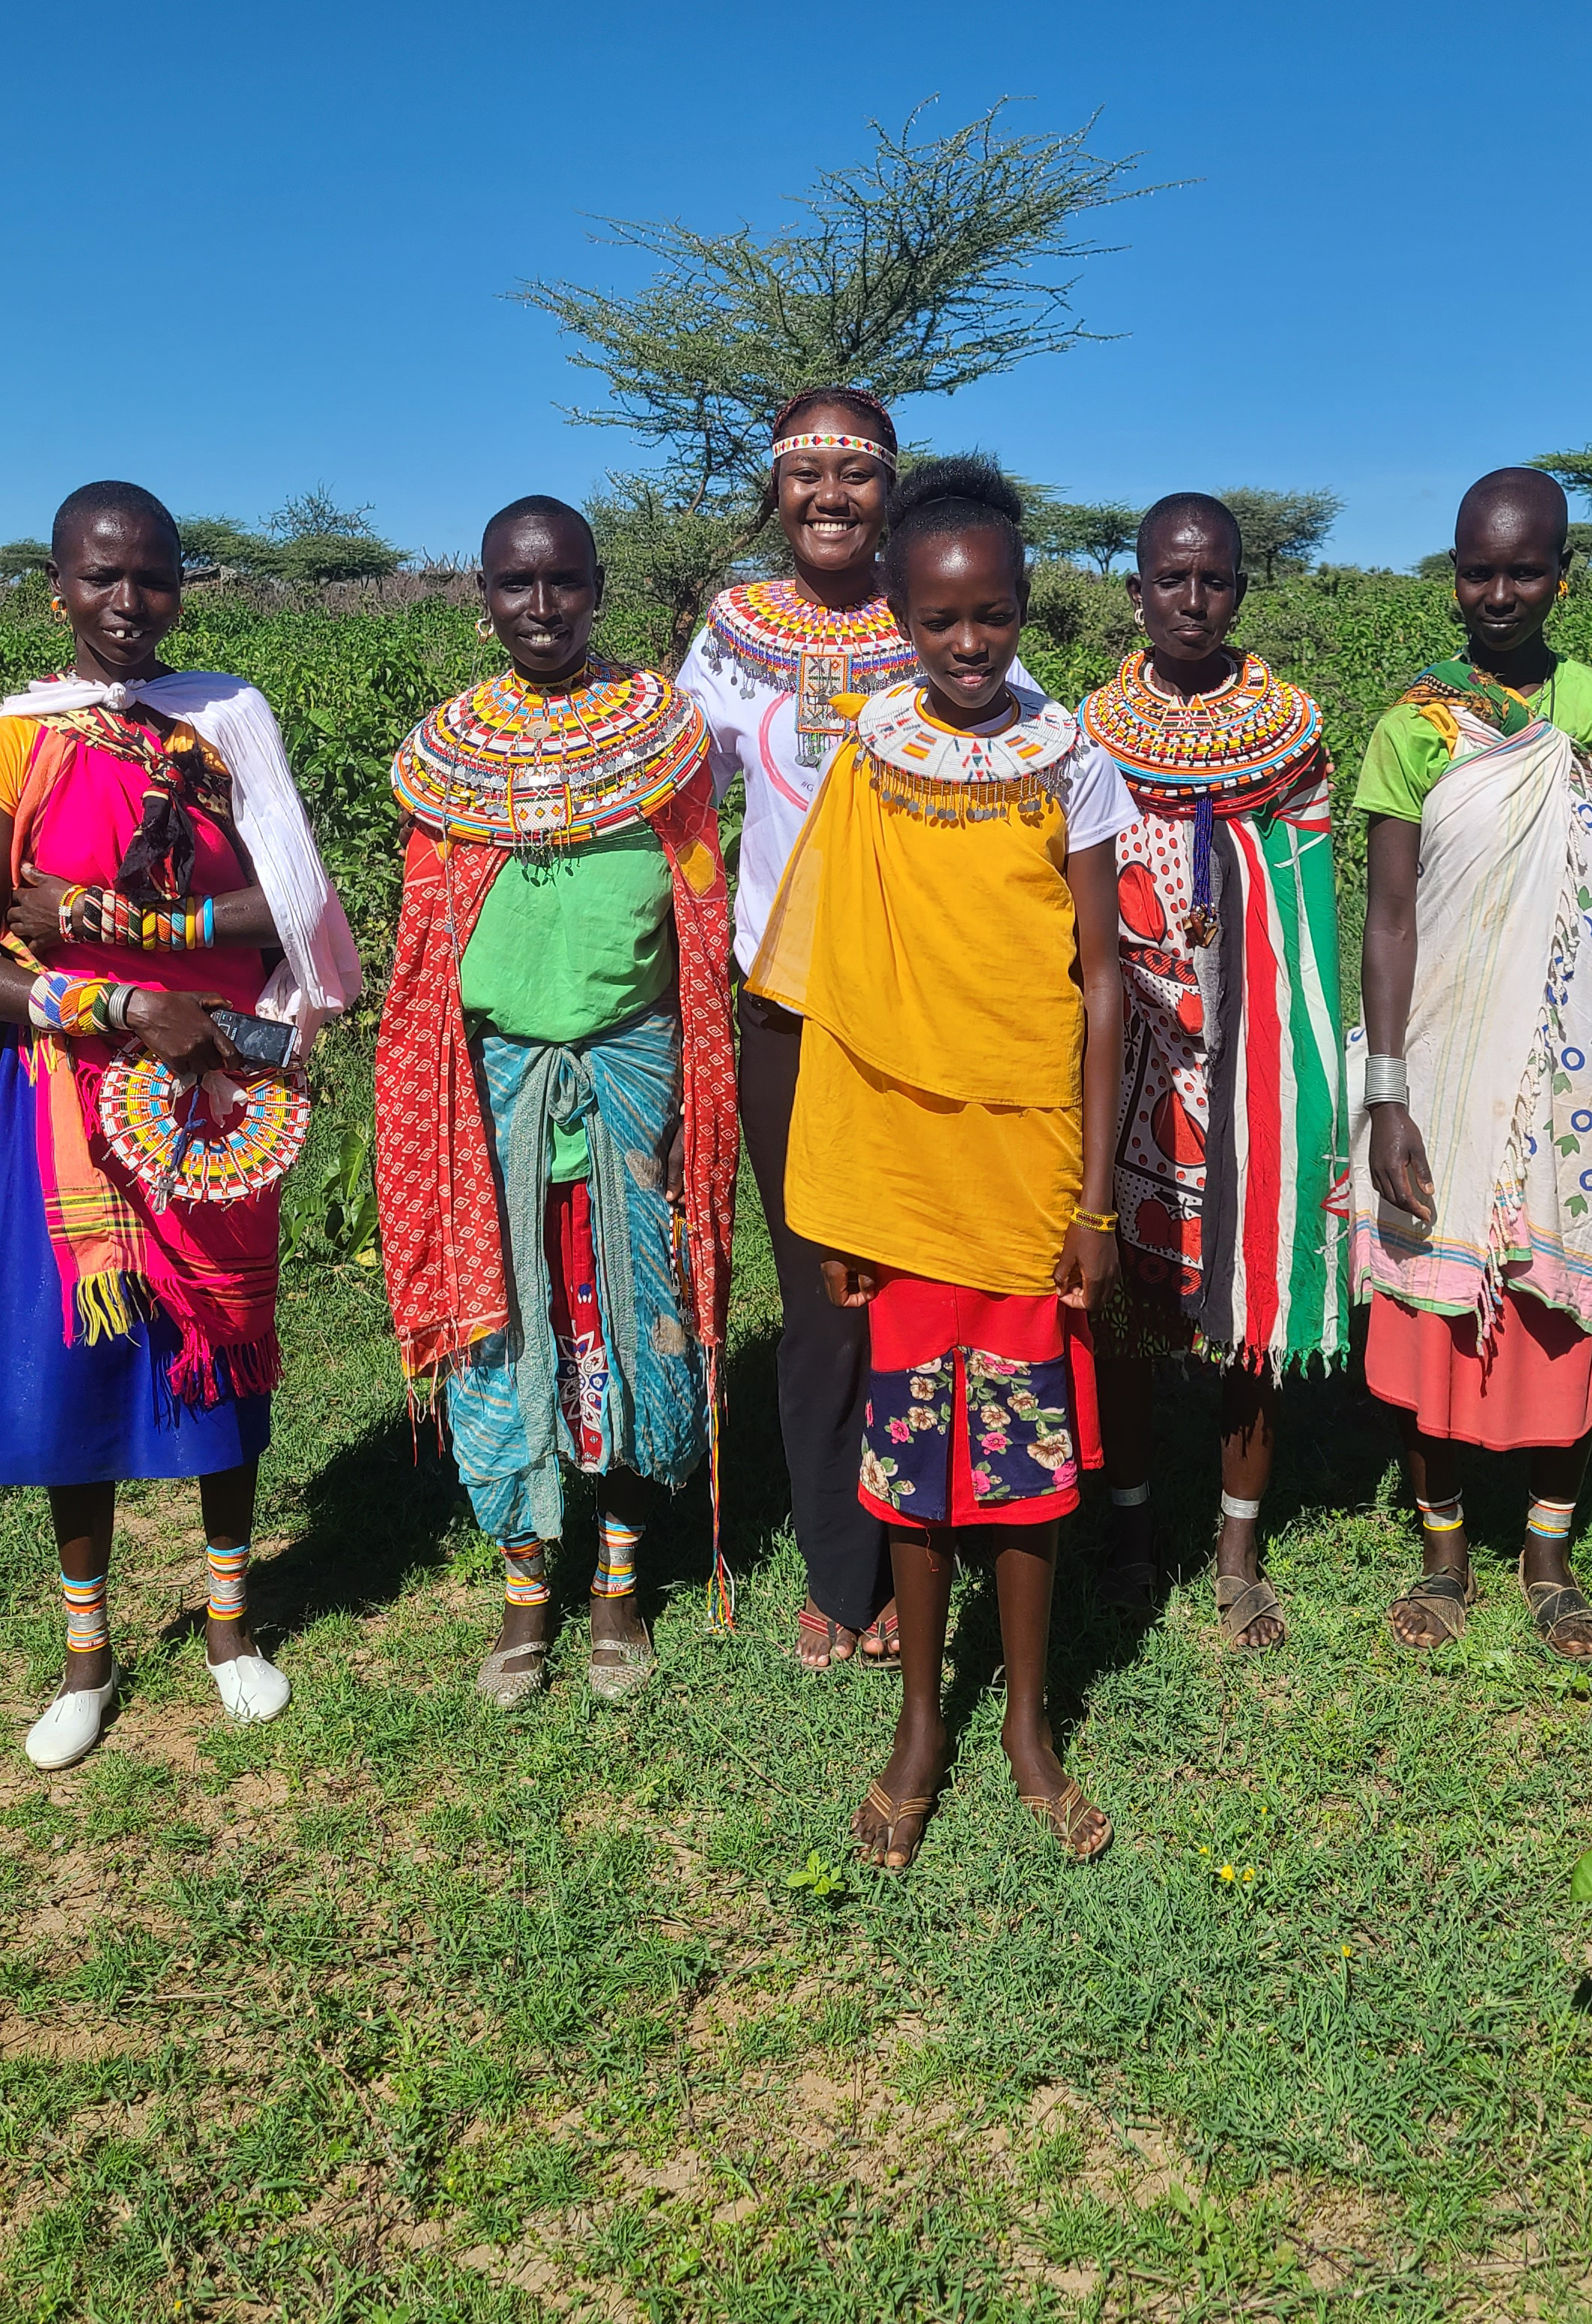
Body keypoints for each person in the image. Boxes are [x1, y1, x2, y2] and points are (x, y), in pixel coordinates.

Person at [0, 480, 362, 1770]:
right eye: (101, 577)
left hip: (215, 1090)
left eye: (155, 576)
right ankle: (86, 1659)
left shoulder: (224, 724)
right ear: (54, 585)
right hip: (66, 1101)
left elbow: (286, 910)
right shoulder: (11, 743)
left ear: (185, 583)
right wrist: (119, 999)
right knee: (81, 1366)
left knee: (220, 1344)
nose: (129, 603)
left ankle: (231, 1630)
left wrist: (128, 937)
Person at [748, 458, 1135, 1867]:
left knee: (1024, 1461)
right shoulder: (872, 757)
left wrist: (1094, 1199)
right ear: (899, 619)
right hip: (903, 1166)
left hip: (1028, 1159)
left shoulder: (1071, 754)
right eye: (938, 620)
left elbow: (1101, 984)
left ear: (1028, 607)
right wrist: (841, 1192)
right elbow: (837, 984)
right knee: (914, 1456)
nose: (968, 645)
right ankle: (920, 1728)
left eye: (994, 616)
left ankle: (1027, 1729)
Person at [1349, 467, 1592, 1661]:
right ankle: (1446, 1550)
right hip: (1447, 1052)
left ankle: (1550, 1558)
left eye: (1524, 570)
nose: (1498, 594)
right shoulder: (1413, 723)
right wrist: (1391, 1091)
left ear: (1564, 574)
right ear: (1451, 572)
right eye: (1477, 569)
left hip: (1588, 1051)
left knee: (1569, 1283)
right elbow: (1392, 919)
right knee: (1428, 1287)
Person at [375, 498, 737, 1705]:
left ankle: (619, 1585)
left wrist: (699, 1090)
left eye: (564, 583)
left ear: (597, 586)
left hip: (636, 1074)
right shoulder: (446, 760)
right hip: (495, 1085)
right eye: (515, 586)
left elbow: (698, 920)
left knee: (640, 1324)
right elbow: (429, 946)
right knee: (504, 1325)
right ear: (482, 594)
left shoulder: (661, 741)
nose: (541, 609)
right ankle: (527, 1591)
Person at [1080, 494, 1349, 1646]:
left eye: (1217, 580)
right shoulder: (1090, 730)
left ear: (1243, 588)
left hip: (1253, 1051)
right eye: (1170, 579)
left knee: (1252, 1307)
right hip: (1130, 1052)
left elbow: (1310, 897)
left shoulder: (1289, 730)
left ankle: (1239, 1550)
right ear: (1135, 589)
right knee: (1132, 1317)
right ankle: (1135, 1531)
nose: (1194, 601)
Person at [677, 388, 916, 1674]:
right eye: (807, 473)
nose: (832, 496)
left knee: (915, 1285)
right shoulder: (727, 636)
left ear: (891, 487)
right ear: (775, 488)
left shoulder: (938, 609)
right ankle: (842, 1563)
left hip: (923, 1016)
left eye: (858, 472)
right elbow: (673, 800)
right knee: (823, 1296)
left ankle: (928, 1524)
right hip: (784, 1013)